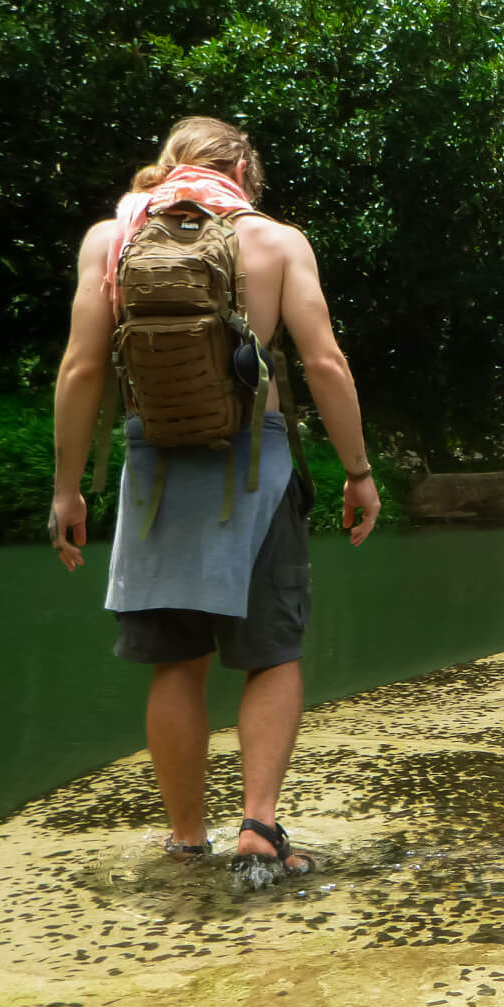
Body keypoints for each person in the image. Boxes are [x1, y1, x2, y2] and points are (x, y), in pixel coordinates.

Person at [49, 117, 382, 873]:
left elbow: (80, 371)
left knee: (177, 659)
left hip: (155, 464)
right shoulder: (276, 242)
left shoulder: (113, 240)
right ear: (241, 170)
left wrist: (69, 490)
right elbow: (324, 363)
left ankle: (185, 839)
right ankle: (259, 832)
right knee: (271, 652)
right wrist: (358, 473)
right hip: (253, 467)